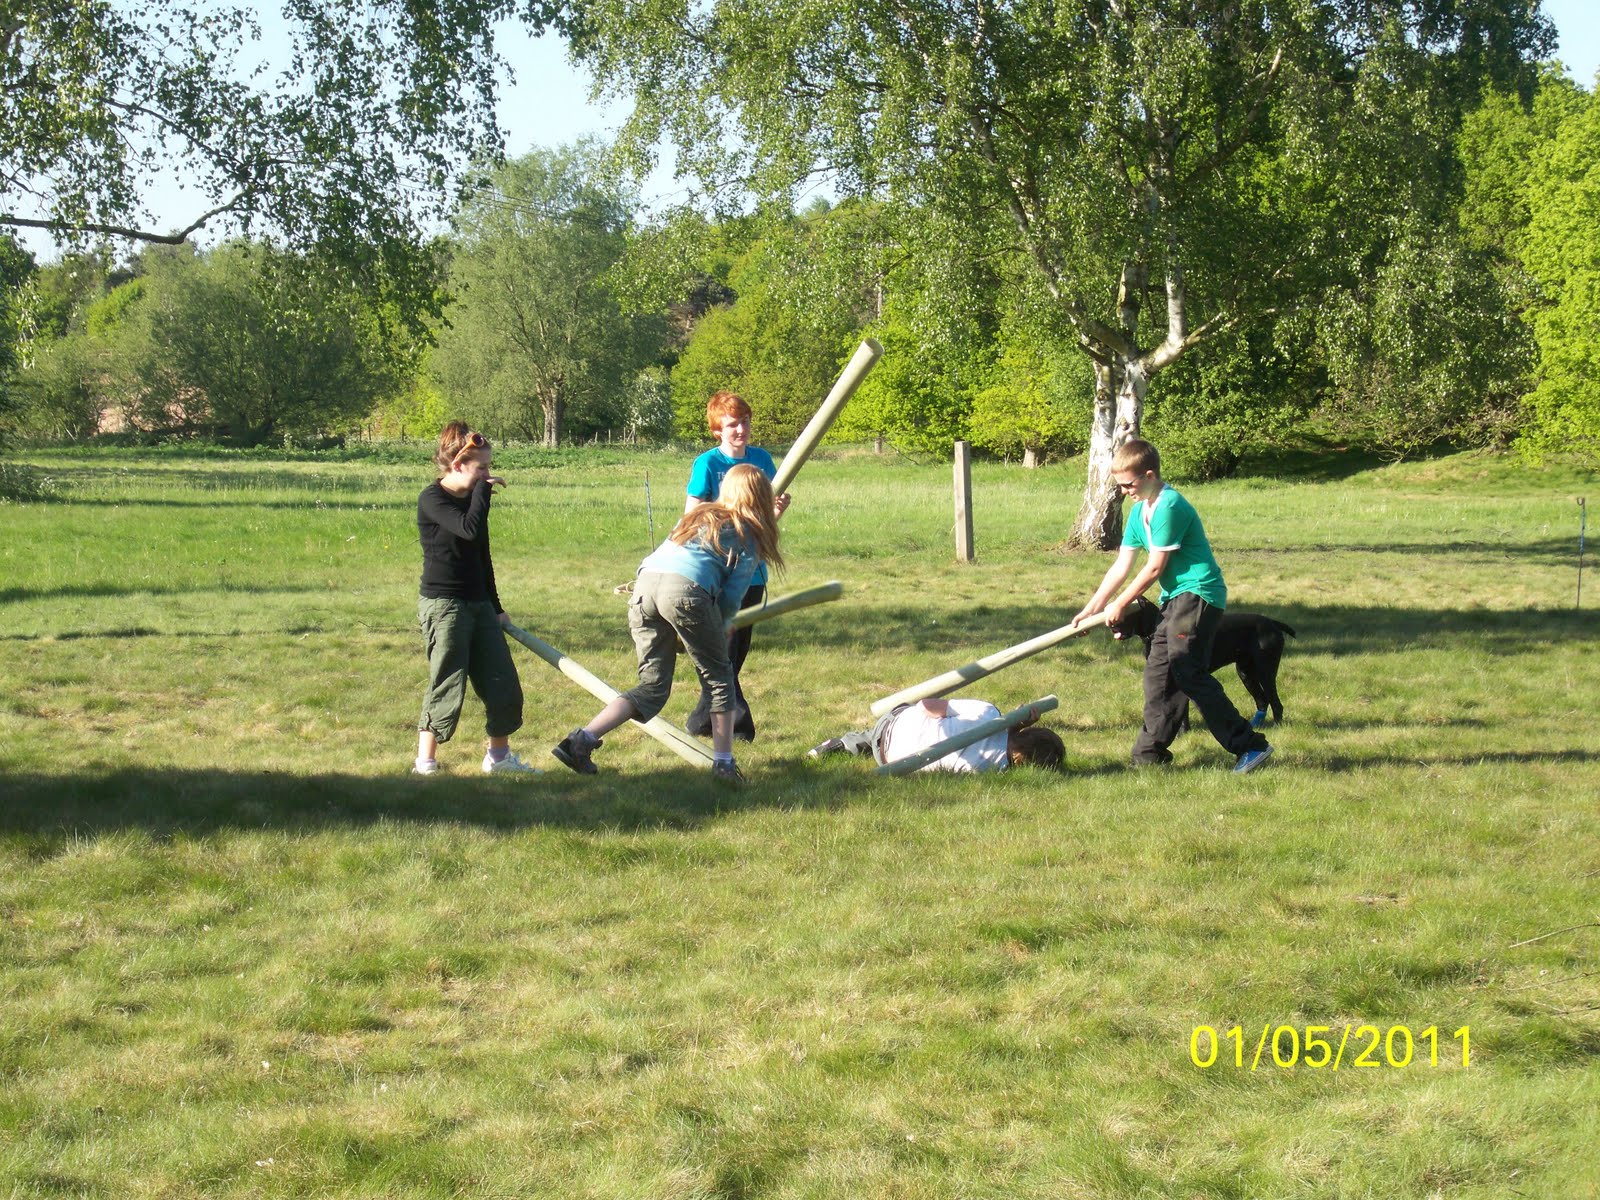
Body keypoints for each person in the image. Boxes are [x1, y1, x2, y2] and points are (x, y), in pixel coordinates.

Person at [553, 463, 784, 784]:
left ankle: (579, 741)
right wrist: (723, 622)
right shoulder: (748, 534)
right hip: (685, 592)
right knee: (720, 679)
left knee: (653, 687)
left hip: (644, 587)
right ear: (761, 496)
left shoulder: (697, 515)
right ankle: (724, 765)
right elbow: (732, 596)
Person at [1071, 438, 1274, 774]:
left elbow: (1154, 567)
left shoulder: (1169, 505)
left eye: (1128, 484)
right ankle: (1149, 755)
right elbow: (1121, 566)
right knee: (1158, 676)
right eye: (1119, 485)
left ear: (1149, 474)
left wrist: (1120, 604)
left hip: (1199, 594)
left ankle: (1250, 746)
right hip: (1174, 599)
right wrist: (1092, 608)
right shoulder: (1140, 512)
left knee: (1187, 669)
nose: (1124, 492)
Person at [413, 422, 539, 776]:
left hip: (479, 603)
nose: (488, 473)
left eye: (488, 466)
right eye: (481, 467)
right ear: (457, 465)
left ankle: (499, 760)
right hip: (444, 605)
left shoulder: (475, 500)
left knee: (503, 683)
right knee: (447, 681)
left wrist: (496, 608)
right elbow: (467, 530)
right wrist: (483, 493)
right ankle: (425, 763)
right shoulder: (432, 498)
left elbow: (482, 555)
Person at [682, 391, 791, 741]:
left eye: (744, 421)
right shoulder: (708, 464)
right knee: (723, 652)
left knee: (736, 651)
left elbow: (766, 516)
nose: (740, 429)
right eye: (732, 424)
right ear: (718, 429)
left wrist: (776, 512)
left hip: (752, 567)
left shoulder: (761, 460)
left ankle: (701, 720)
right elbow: (692, 515)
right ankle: (738, 726)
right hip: (717, 568)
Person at [808, 697, 1066, 773]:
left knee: (902, 713)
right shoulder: (993, 772)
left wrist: (1012, 719)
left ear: (1029, 731)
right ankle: (855, 745)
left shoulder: (988, 713)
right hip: (892, 762)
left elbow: (926, 706)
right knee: (883, 740)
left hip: (892, 728)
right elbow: (993, 747)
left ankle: (844, 744)